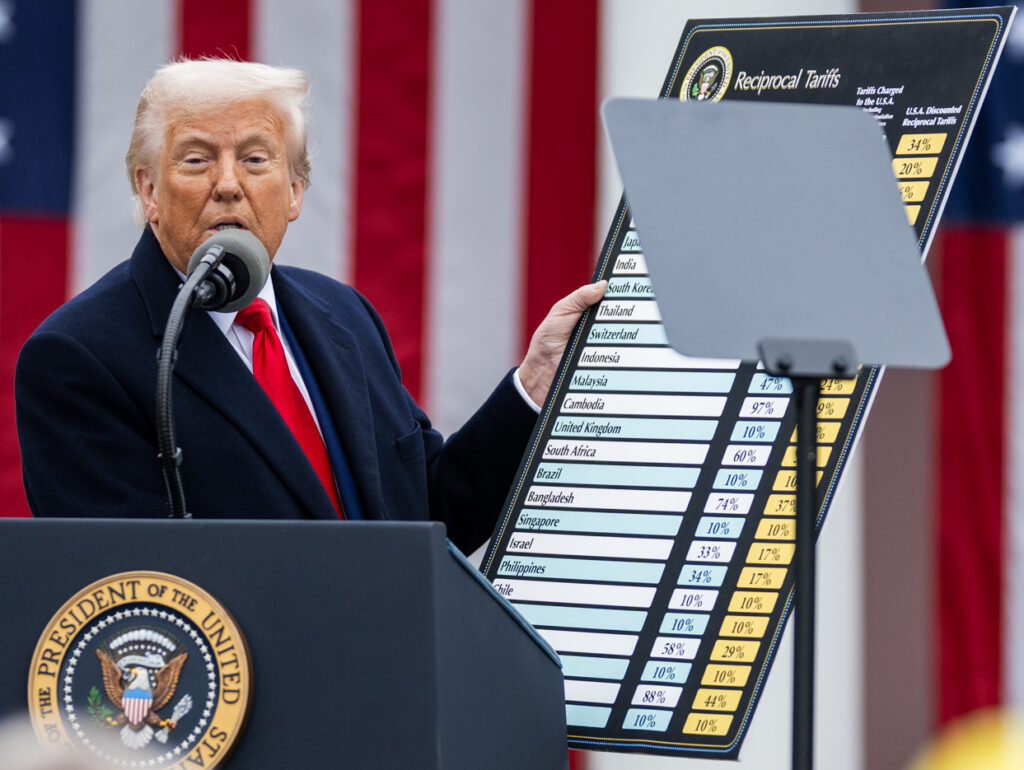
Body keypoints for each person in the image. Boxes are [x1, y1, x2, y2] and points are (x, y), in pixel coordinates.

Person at [14, 59, 604, 553]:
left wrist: (532, 387)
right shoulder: (78, 357)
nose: (227, 183)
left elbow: (432, 515)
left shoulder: (342, 313)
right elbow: (132, 589)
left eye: (255, 159)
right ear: (148, 190)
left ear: (296, 190)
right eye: (195, 160)